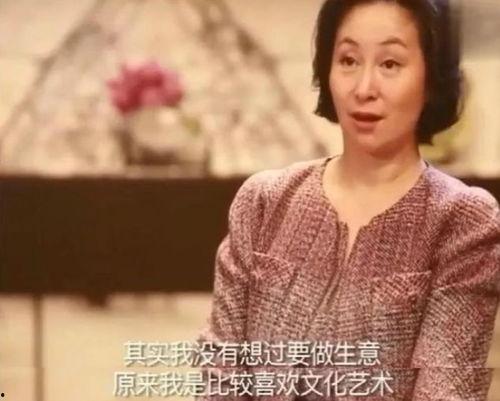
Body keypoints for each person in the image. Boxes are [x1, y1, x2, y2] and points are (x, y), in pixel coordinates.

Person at [194, 0, 500, 400]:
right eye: (349, 60)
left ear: (430, 78)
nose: (363, 88)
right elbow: (221, 376)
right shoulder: (265, 201)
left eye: (390, 64)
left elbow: (446, 390)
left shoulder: (462, 221)